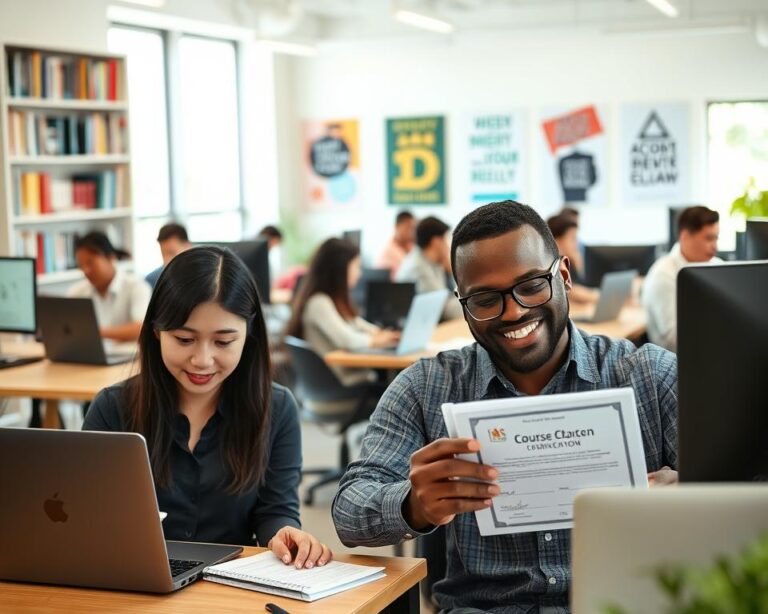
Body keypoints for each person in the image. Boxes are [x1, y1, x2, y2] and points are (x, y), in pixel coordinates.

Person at [332, 200, 678, 612]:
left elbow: (748, 490)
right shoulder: (425, 387)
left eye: (532, 285)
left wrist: (690, 493)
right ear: (462, 304)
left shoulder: (650, 376)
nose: (514, 311)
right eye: (484, 300)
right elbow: (349, 511)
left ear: (563, 276)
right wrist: (414, 504)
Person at [82, 246, 331, 567]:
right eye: (184, 339)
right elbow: (88, 516)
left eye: (223, 342)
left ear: (248, 334)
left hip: (232, 586)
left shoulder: (277, 407)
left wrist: (285, 532)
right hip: (135, 579)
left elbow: (275, 510)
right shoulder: (113, 407)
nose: (202, 360)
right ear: (157, 332)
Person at [285, 238, 400, 391]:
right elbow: (349, 341)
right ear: (339, 269)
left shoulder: (332, 300)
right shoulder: (319, 303)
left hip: (345, 385)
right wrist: (376, 340)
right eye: (356, 266)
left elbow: (356, 322)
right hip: (339, 391)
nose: (359, 274)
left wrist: (381, 334)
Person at [642, 205, 720, 353]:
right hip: (676, 364)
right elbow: (674, 341)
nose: (715, 246)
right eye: (709, 238)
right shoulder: (663, 275)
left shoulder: (717, 265)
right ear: (685, 237)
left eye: (716, 238)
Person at [69, 231, 151, 342]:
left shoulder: (137, 286)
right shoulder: (77, 291)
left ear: (110, 258)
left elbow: (141, 328)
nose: (85, 271)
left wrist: (95, 332)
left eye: (90, 263)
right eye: (81, 266)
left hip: (128, 357)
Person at [395, 216, 463, 320]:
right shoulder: (418, 268)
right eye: (445, 239)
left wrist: (451, 271)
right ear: (436, 241)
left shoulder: (431, 261)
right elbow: (446, 308)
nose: (448, 245)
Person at [546, 213, 598, 304]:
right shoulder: (550, 264)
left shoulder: (567, 261)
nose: (577, 243)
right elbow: (573, 292)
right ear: (558, 240)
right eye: (573, 238)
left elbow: (578, 287)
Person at [145, 222, 192, 289]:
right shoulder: (152, 281)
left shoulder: (204, 277)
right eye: (163, 254)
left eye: (171, 253)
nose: (167, 260)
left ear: (188, 247)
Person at [376, 210, 416, 278]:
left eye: (413, 228)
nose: (411, 232)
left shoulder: (413, 247)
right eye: (407, 227)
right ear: (396, 226)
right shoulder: (387, 252)